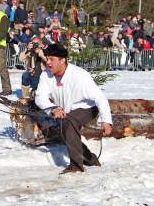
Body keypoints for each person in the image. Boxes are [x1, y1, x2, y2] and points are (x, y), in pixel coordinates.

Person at [35, 43, 112, 174]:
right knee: (65, 128)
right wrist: (53, 109)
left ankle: (76, 166)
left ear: (63, 60)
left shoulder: (80, 75)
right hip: (65, 109)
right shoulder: (45, 75)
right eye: (47, 58)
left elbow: (100, 97)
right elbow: (40, 97)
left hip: (86, 107)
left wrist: (106, 121)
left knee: (68, 124)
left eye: (51, 59)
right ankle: (90, 159)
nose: (48, 62)